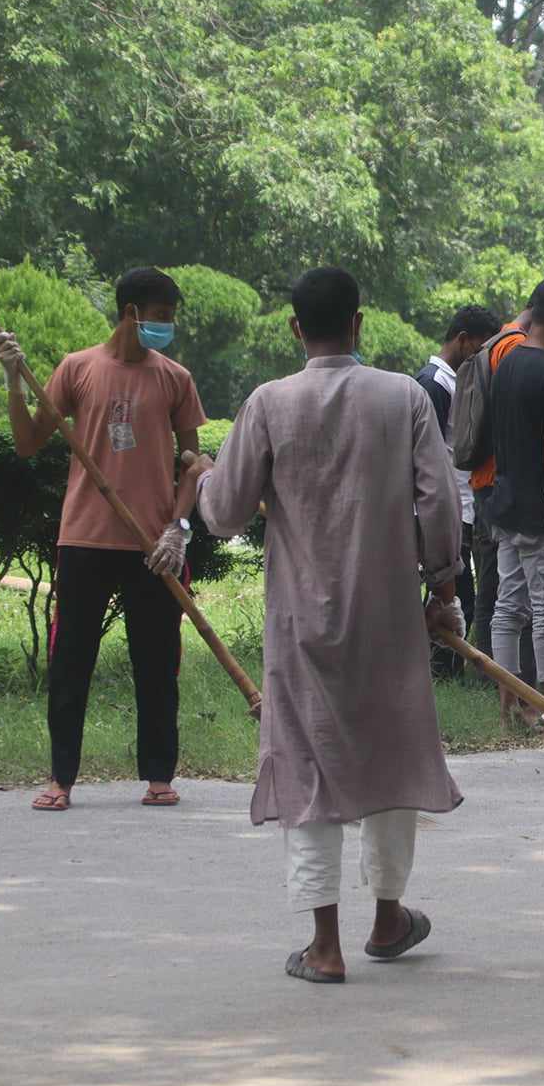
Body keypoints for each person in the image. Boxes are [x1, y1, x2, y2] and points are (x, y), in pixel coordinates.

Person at [186, 265, 465, 983]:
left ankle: (324, 943)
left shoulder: (269, 402)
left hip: (299, 617)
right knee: (392, 755)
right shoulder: (403, 396)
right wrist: (442, 587)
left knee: (305, 762)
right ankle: (388, 916)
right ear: (359, 323)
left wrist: (204, 476)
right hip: (390, 615)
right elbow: (437, 502)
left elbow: (221, 515)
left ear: (293, 328)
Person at [0, 266, 206, 812]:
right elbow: (25, 442)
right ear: (132, 313)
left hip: (151, 547)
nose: (167, 327)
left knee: (157, 663)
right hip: (85, 539)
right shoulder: (78, 368)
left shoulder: (175, 378)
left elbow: (194, 464)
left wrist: (176, 529)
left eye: (171, 319)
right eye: (161, 317)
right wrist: (15, 379)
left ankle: (159, 775)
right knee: (71, 663)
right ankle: (62, 778)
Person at [488, 278, 544, 704]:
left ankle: (508, 700)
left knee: (508, 606)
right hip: (541, 509)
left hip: (503, 503)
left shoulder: (504, 362)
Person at [417, 305, 502, 679]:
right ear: (463, 339)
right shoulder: (435, 383)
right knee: (453, 594)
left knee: (459, 593)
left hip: (461, 504)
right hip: (445, 506)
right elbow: (426, 454)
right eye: (480, 348)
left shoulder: (454, 381)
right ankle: (441, 670)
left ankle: (444, 669)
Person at [467, 299, 541, 719]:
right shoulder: (514, 349)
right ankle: (510, 687)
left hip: (486, 479)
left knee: (496, 587)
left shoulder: (493, 344)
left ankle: (491, 678)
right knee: (511, 592)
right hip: (502, 483)